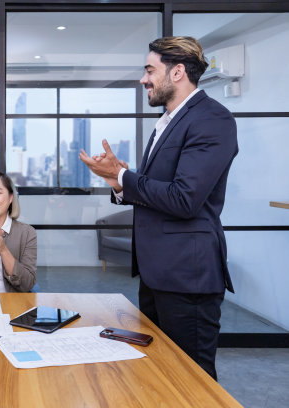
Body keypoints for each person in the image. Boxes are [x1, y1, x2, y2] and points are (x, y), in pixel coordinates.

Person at [79, 36, 238, 380]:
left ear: (178, 71)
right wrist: (121, 185)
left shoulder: (213, 119)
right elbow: (157, 192)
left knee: (191, 380)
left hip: (187, 278)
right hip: (157, 274)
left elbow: (184, 199)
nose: (143, 79)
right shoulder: (167, 122)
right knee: (161, 374)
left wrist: (123, 173)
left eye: (150, 70)